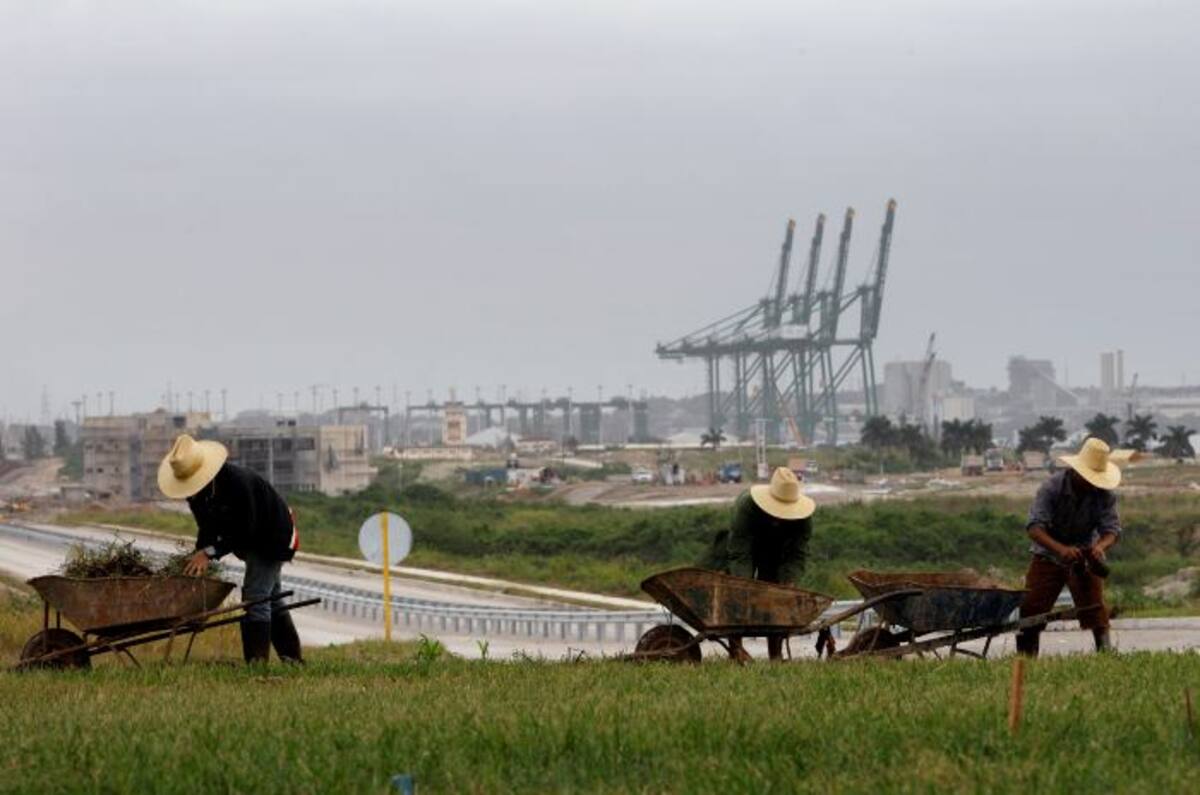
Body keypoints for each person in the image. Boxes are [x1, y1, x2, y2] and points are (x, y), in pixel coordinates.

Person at [157, 434, 302, 664]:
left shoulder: (238, 484)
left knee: (255, 598)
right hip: (250, 538)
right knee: (271, 598)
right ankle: (292, 659)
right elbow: (206, 527)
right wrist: (199, 553)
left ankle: (257, 664)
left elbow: (246, 530)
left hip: (271, 536)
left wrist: (210, 553)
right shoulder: (198, 495)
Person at [1015, 437, 1121, 657]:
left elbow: (1112, 530)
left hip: (1084, 554)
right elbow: (1034, 528)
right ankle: (1026, 659)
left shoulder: (1104, 495)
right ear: (1078, 472)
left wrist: (1100, 547)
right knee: (1031, 611)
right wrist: (1061, 550)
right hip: (1048, 555)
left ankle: (1106, 655)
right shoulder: (1051, 488)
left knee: (1096, 610)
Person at [701, 466, 815, 661]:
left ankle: (776, 655)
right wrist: (744, 587)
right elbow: (739, 552)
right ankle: (736, 650)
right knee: (735, 592)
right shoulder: (746, 506)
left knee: (776, 595)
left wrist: (789, 582)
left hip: (775, 551)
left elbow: (797, 554)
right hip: (745, 545)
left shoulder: (804, 519)